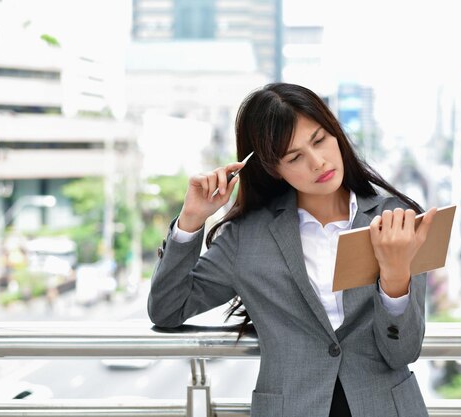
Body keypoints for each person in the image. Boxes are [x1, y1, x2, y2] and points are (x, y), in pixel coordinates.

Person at [148, 83, 437, 417]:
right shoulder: (247, 237)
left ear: (335, 133)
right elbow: (167, 309)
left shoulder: (396, 220)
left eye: (319, 140)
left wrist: (396, 276)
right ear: (274, 169)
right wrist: (191, 221)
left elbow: (402, 352)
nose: (318, 162)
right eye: (294, 157)